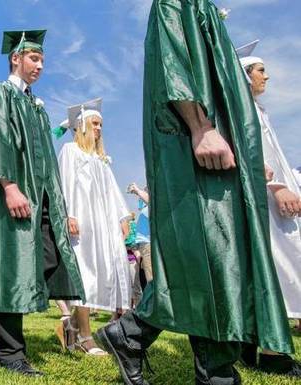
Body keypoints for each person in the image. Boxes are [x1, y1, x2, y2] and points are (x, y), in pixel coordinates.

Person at [95, 2, 294, 384]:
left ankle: (132, 336)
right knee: (215, 253)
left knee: (222, 252)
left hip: (217, 139)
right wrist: (200, 126)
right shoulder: (175, 2)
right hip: (195, 141)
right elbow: (174, 65)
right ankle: (213, 370)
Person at [0, 30, 85, 376]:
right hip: (10, 195)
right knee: (11, 266)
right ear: (15, 58)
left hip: (40, 197)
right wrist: (10, 186)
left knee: (47, 257)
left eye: (43, 60)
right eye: (34, 58)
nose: (40, 65)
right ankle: (10, 354)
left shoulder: (36, 106)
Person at [236, 40, 301, 377]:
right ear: (246, 76)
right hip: (264, 200)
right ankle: (274, 352)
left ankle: (249, 347)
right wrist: (276, 188)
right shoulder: (240, 110)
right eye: (261, 70)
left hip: (274, 200)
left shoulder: (259, 112)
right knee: (271, 270)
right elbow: (257, 163)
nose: (267, 76)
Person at [53, 98, 130, 356]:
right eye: (94, 124)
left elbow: (113, 193)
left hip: (103, 224)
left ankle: (71, 328)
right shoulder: (70, 152)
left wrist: (123, 218)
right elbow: (64, 185)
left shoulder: (100, 159)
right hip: (82, 222)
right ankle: (85, 337)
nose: (99, 128)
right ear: (82, 126)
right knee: (85, 274)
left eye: (100, 125)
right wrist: (68, 215)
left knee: (101, 274)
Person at [126, 183, 152, 284]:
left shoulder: (152, 205)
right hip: (143, 247)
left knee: (151, 281)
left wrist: (137, 191)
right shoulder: (145, 209)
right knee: (145, 280)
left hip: (149, 246)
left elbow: (152, 201)